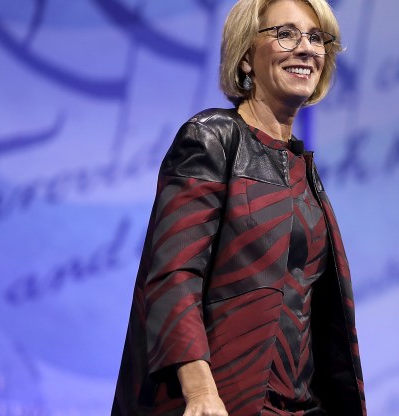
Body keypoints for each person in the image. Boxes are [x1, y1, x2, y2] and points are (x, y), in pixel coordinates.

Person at [112, 0, 366, 415]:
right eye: (286, 33)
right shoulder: (211, 138)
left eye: (316, 37)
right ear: (246, 55)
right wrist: (199, 391)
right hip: (225, 403)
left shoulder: (304, 173)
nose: (306, 48)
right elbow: (174, 275)